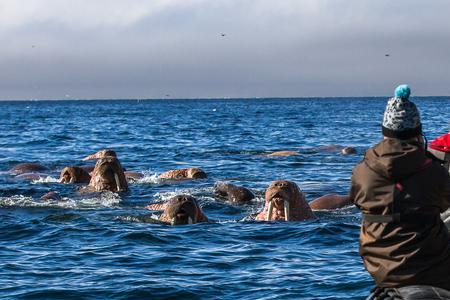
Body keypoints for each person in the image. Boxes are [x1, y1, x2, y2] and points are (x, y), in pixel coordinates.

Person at [350, 85, 450, 296]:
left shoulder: (361, 171)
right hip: (432, 268)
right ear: (417, 131)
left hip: (378, 267)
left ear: (385, 131)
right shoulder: (433, 172)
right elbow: (445, 204)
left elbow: (358, 201)